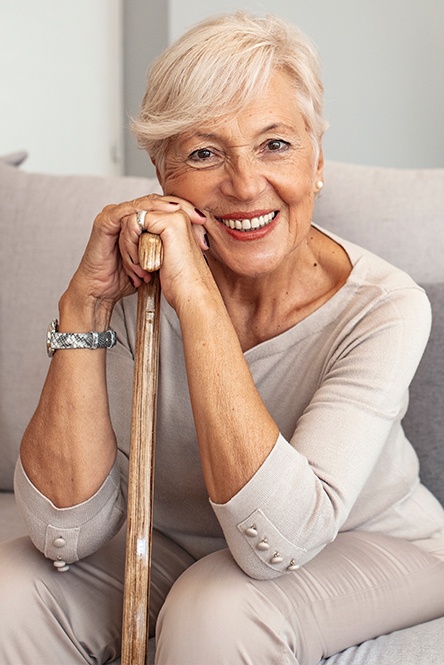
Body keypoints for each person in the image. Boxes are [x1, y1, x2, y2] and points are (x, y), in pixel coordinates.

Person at [1, 11, 444, 665]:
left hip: (367, 543)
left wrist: (199, 300)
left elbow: (283, 540)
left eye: (275, 145)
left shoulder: (383, 306)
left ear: (317, 158)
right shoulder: (129, 280)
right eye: (205, 153)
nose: (243, 185)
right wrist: (85, 304)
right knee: (10, 593)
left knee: (216, 608)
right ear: (162, 173)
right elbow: (61, 532)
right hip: (175, 544)